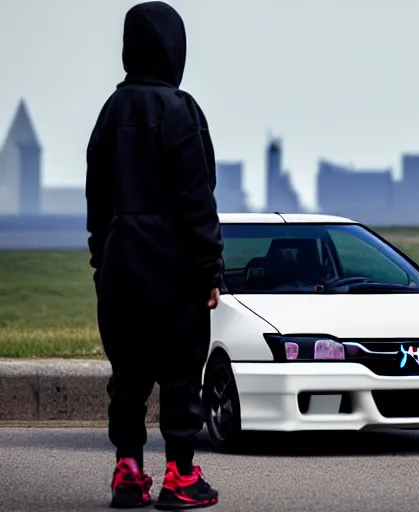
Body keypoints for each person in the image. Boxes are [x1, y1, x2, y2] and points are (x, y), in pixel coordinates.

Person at [85, 1, 223, 508]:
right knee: (181, 374)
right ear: (174, 47)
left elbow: (95, 199)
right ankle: (181, 477)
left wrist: (102, 260)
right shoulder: (179, 110)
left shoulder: (109, 112)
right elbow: (197, 198)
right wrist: (210, 268)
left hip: (120, 270)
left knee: (129, 376)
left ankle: (127, 473)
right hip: (174, 270)